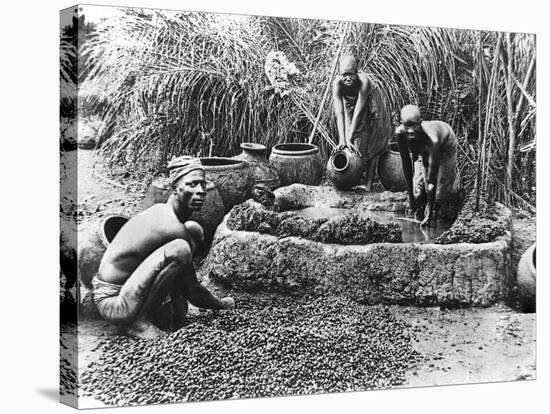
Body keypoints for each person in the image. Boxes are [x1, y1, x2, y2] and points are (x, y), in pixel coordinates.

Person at [92, 156, 235, 340]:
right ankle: (140, 323)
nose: (200, 191)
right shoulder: (169, 226)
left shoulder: (166, 212)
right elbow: (193, 290)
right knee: (181, 249)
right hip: (115, 304)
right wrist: (221, 305)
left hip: (131, 290)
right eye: (192, 184)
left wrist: (181, 311)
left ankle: (169, 312)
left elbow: (181, 276)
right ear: (175, 188)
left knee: (193, 231)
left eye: (203, 184)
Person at [394, 104, 458, 226]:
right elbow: (406, 165)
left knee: (440, 196)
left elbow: (431, 178)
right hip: (421, 149)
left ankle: (435, 212)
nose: (411, 130)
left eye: (414, 125)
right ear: (402, 124)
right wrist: (411, 198)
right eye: (407, 126)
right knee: (418, 191)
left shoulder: (433, 139)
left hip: (444, 147)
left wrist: (430, 211)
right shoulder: (400, 133)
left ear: (420, 122)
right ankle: (422, 207)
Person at [332, 55, 389, 190]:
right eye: (344, 75)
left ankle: (368, 184)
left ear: (357, 71)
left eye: (351, 74)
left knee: (372, 137)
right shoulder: (338, 85)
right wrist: (342, 140)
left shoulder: (364, 82)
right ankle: (353, 175)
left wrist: (350, 137)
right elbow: (340, 114)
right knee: (349, 140)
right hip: (350, 100)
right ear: (339, 74)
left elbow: (358, 114)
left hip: (370, 99)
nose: (347, 78)